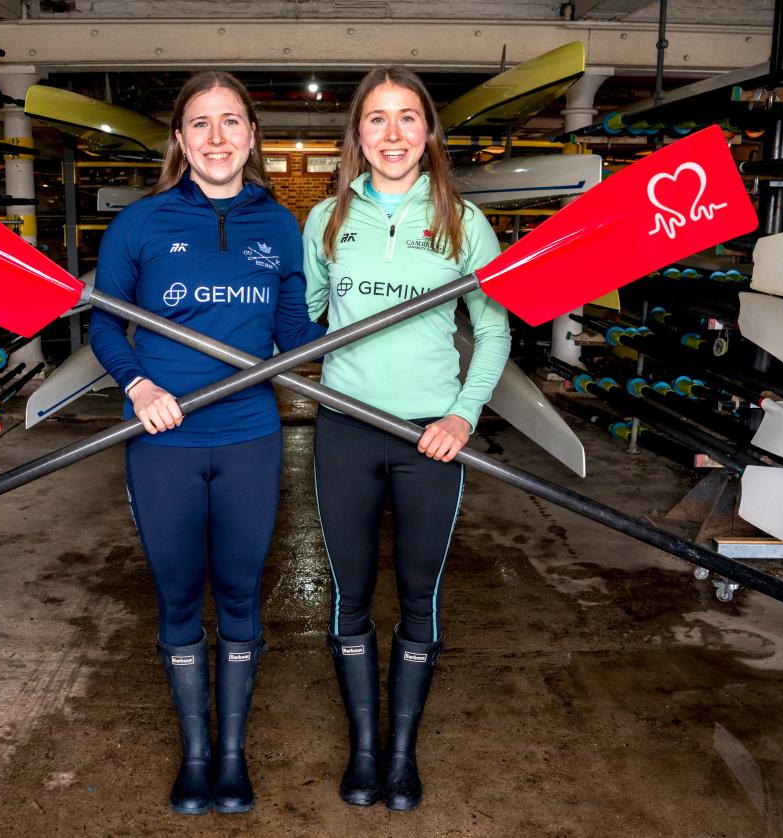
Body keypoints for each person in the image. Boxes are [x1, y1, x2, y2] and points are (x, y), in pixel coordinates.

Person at [89, 70, 325, 816]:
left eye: (230, 122)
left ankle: (231, 756)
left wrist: (365, 325)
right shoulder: (142, 222)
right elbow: (102, 322)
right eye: (201, 123)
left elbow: (294, 335)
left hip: (251, 436)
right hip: (164, 440)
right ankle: (195, 755)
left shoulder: (279, 225)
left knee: (241, 592)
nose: (217, 137)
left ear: (252, 135)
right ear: (180, 140)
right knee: (179, 594)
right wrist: (139, 385)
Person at [302, 65, 511, 811]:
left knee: (420, 594)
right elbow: (311, 316)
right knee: (350, 594)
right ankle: (364, 751)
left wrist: (463, 414)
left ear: (428, 132)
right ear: (357, 133)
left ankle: (402, 756)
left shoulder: (463, 221)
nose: (392, 134)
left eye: (407, 118)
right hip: (346, 432)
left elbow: (492, 328)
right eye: (377, 119)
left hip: (431, 438)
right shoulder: (326, 220)